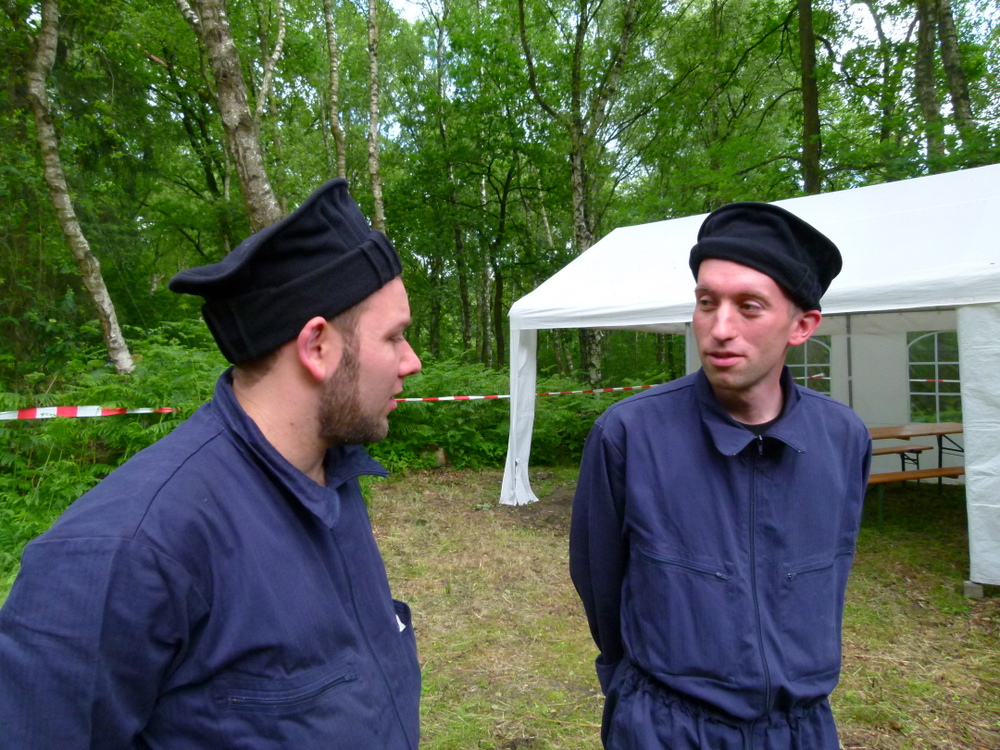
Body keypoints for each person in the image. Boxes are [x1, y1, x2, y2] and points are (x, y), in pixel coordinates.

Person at [0, 179, 423, 748]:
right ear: (317, 347)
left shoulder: (332, 474)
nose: (412, 362)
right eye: (394, 337)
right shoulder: (127, 550)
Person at [569, 202, 872, 749]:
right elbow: (601, 587)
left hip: (798, 730)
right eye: (707, 303)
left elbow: (833, 571)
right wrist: (633, 696)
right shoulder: (630, 434)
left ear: (802, 325)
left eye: (749, 307)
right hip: (665, 726)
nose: (720, 328)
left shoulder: (843, 437)